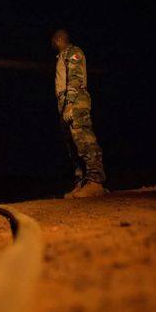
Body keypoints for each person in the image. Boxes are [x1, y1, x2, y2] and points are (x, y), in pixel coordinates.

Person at [52, 29, 106, 198]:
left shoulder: (74, 52)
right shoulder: (62, 56)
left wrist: (70, 104)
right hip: (65, 102)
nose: (51, 44)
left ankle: (95, 181)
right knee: (72, 145)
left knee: (84, 140)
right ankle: (81, 181)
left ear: (58, 40)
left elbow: (75, 78)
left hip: (75, 101)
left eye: (52, 41)